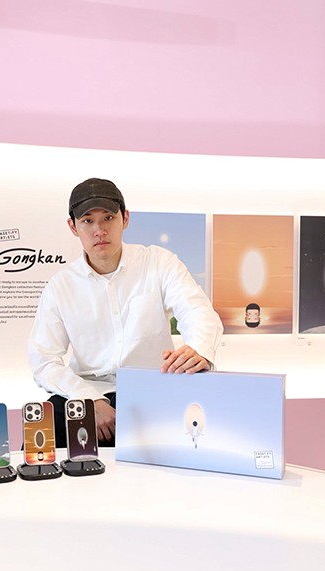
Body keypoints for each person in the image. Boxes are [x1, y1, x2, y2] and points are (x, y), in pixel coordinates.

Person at [27, 178, 223, 447]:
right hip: (88, 391)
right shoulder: (60, 286)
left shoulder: (158, 262)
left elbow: (197, 310)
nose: (99, 230)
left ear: (125, 218)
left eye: (108, 218)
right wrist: (88, 399)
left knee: (195, 431)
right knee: (41, 438)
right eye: (87, 221)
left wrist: (198, 349)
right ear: (73, 227)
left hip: (153, 390)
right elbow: (43, 360)